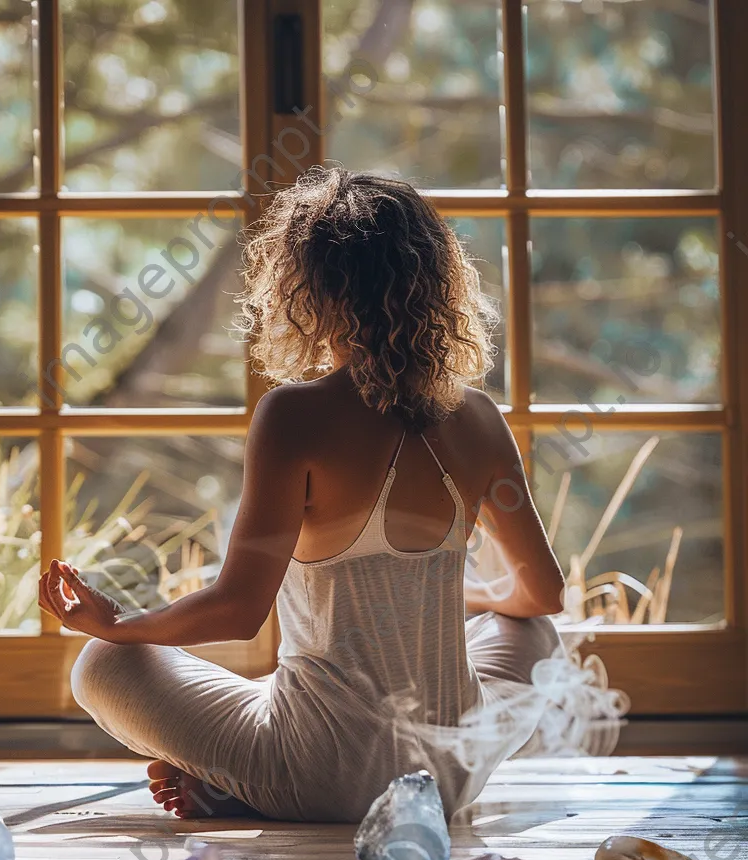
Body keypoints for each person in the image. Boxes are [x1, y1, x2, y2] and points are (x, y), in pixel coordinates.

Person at [39, 166, 566, 823]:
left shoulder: (294, 417)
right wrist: (452, 597)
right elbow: (544, 596)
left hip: (321, 774)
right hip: (449, 774)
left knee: (101, 666)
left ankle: (241, 780)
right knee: (534, 634)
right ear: (436, 284)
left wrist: (118, 625)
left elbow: (237, 609)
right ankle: (244, 769)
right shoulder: (479, 419)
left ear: (308, 290)